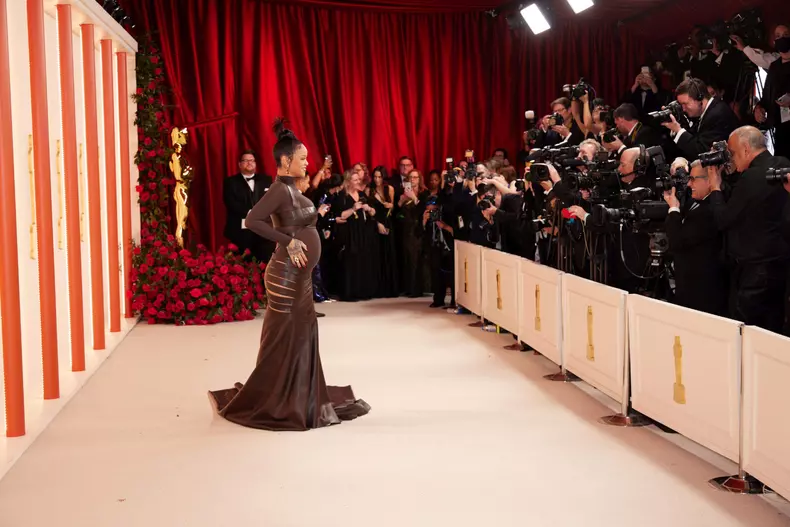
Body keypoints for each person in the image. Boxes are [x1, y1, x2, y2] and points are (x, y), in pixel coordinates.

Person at [209, 118, 370, 430]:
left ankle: (300, 393)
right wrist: (288, 240)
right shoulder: (278, 190)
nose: (307, 163)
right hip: (285, 273)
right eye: (302, 158)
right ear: (285, 161)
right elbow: (253, 220)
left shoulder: (293, 191)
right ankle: (280, 397)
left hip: (299, 275)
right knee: (287, 335)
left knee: (302, 333)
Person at [223, 150, 275, 262]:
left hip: (263, 233)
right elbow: (231, 203)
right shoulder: (230, 182)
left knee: (264, 263)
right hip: (240, 232)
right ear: (240, 164)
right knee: (241, 265)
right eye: (245, 161)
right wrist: (251, 212)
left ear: (255, 163)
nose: (249, 163)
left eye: (251, 160)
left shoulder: (266, 180)